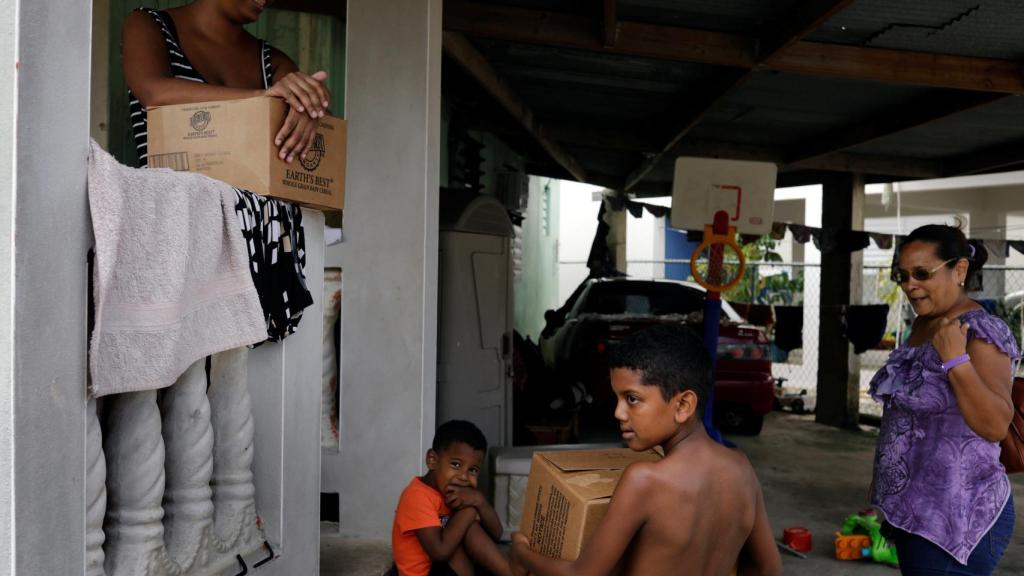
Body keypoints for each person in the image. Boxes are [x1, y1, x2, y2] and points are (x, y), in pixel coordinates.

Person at [510, 325, 782, 576]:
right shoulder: (741, 467)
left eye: (632, 399)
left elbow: (583, 574)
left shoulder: (645, 480)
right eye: (617, 398)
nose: (618, 412)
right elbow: (769, 568)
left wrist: (523, 555)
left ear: (683, 405)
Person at [871, 224, 1018, 575]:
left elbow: (996, 424)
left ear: (960, 270)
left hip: (956, 518)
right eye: (902, 275)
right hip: (915, 512)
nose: (909, 285)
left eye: (922, 273)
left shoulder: (979, 332)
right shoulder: (924, 324)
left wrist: (956, 361)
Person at [122, 0, 330, 167]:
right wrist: (262, 96)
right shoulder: (148, 24)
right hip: (175, 211)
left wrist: (311, 104)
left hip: (255, 217)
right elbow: (153, 93)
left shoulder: (272, 62)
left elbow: (324, 124)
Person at [391, 420, 512, 576]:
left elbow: (496, 533)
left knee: (468, 528)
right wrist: (469, 512)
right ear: (432, 460)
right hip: (426, 571)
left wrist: (479, 501)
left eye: (473, 470)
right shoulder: (416, 496)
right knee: (465, 522)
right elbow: (439, 552)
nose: (464, 476)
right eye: (456, 464)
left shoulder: (455, 493)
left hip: (443, 567)